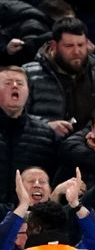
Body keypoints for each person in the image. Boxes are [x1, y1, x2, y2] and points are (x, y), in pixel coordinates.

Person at [0, 66, 58, 206]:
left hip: (30, 218)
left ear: (28, 91)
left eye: (20, 83)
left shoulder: (46, 134)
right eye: (8, 83)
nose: (15, 86)